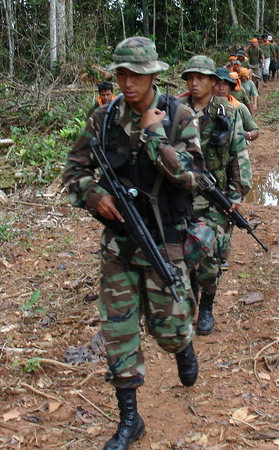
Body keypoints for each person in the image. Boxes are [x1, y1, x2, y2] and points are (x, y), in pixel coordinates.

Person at [63, 37, 202, 450]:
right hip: (120, 245)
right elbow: (73, 171)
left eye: (136, 75)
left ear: (153, 75)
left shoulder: (179, 116)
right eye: (121, 73)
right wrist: (94, 194)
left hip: (164, 242)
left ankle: (184, 347)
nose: (127, 82)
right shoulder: (102, 119)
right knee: (118, 329)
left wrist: (154, 136)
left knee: (171, 328)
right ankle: (130, 418)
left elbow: (190, 178)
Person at [180, 56, 251, 336]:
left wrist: (236, 191)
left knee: (210, 257)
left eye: (201, 77)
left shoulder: (227, 111)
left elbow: (238, 152)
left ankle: (206, 307)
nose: (195, 82)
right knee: (184, 252)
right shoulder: (176, 109)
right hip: (182, 194)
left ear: (213, 81)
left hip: (215, 194)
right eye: (190, 77)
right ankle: (190, 302)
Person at [215, 68, 260, 143]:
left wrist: (244, 135)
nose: (221, 88)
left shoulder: (239, 107)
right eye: (217, 83)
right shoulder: (204, 107)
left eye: (225, 84)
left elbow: (255, 131)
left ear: (230, 88)